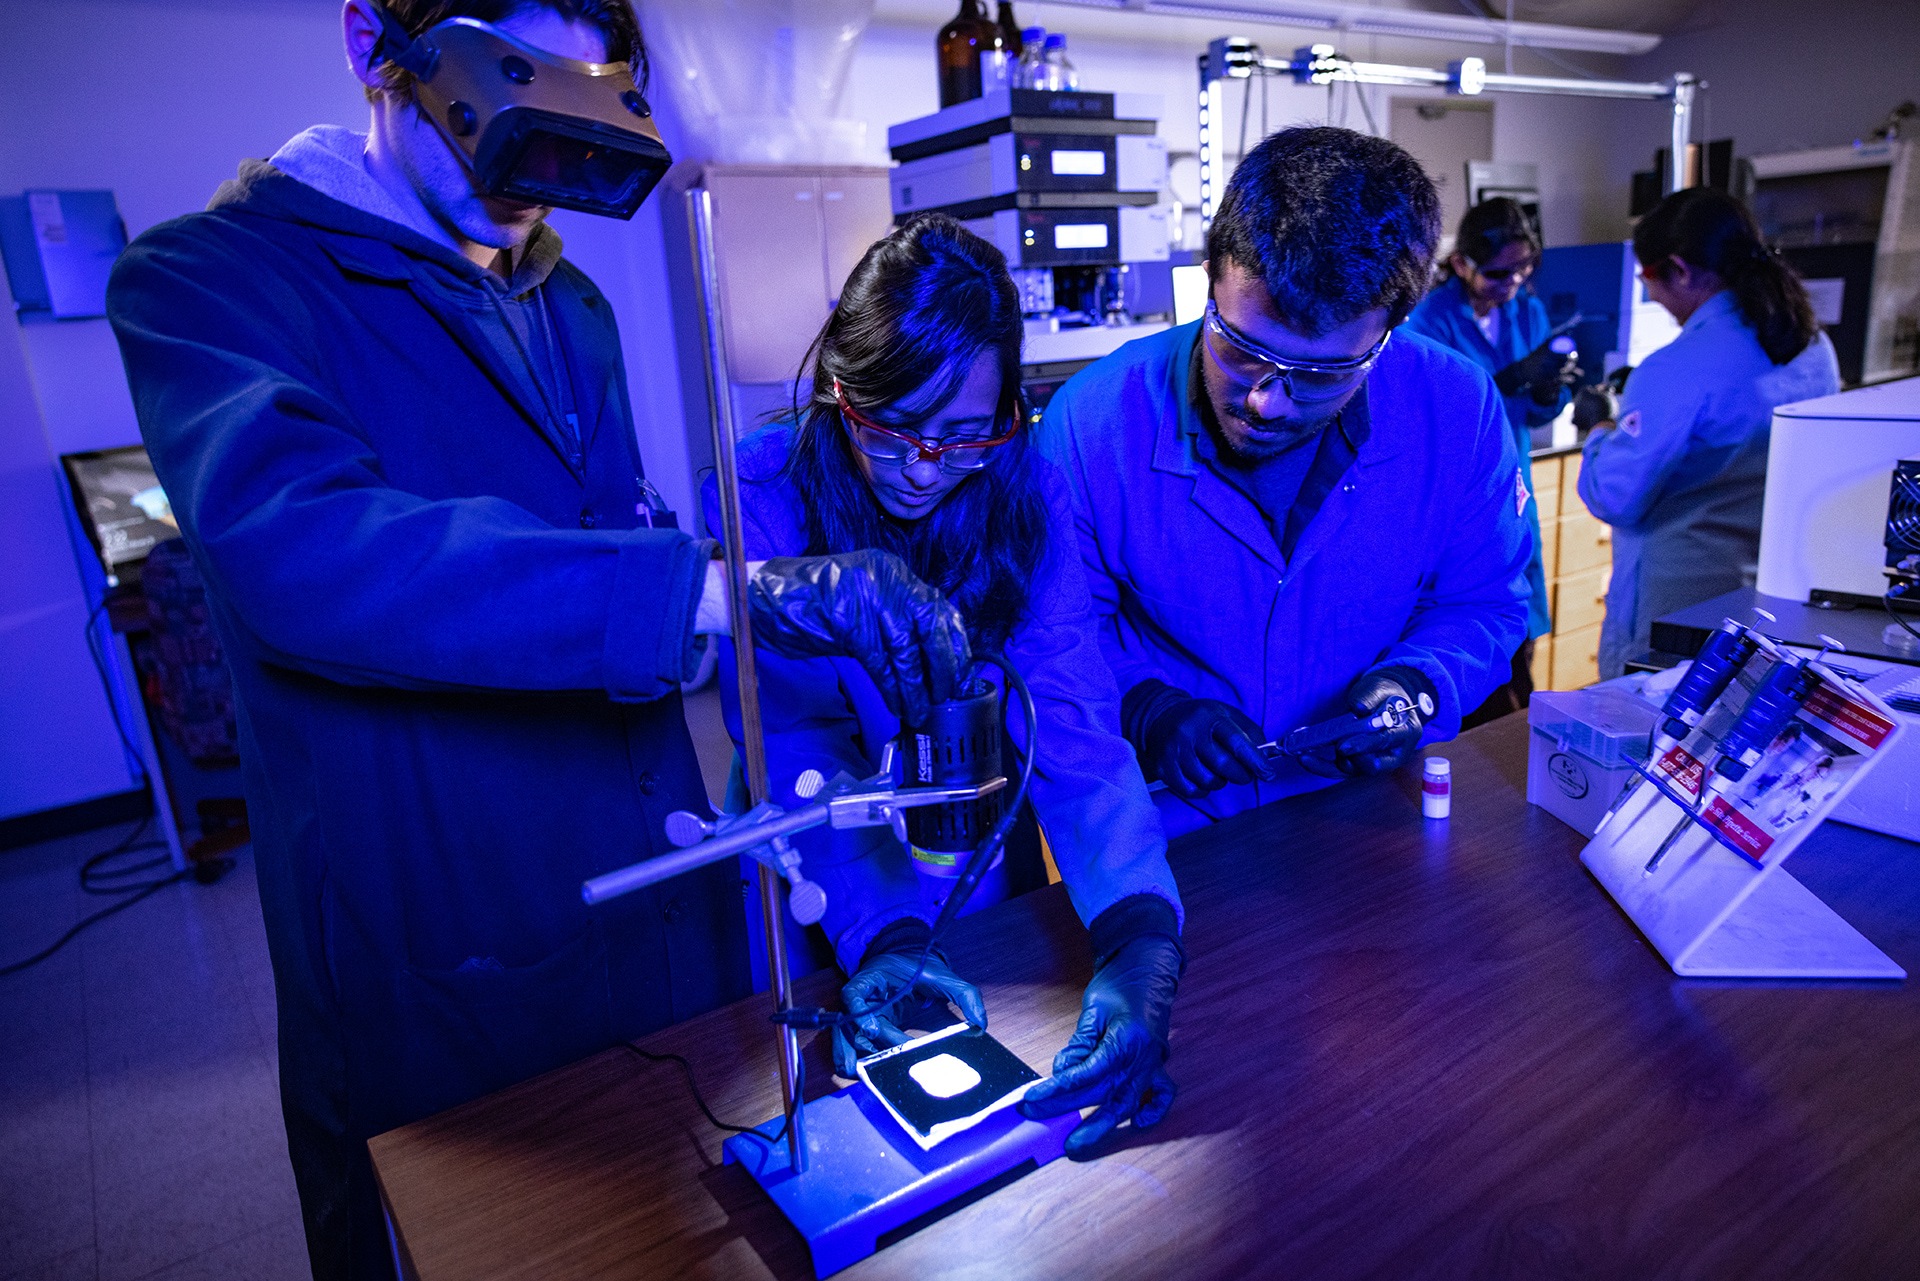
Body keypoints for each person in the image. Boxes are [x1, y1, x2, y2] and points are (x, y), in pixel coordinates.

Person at [106, 3, 968, 1277]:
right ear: (373, 42)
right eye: (515, 103)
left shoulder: (571, 305)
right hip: (449, 908)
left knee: (692, 1225)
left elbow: (602, 530)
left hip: (655, 890)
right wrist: (727, 594)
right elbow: (313, 554)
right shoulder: (210, 282)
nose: (535, 182)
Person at [702, 214, 1186, 1157]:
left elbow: (1074, 720)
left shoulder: (1024, 483)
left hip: (966, 839)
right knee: (823, 1093)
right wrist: (882, 932)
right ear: (842, 391)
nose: (925, 472)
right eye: (894, 432)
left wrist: (1137, 936)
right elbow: (798, 744)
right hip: (807, 865)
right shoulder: (764, 484)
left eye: (964, 435)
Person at [1037, 127, 1532, 834]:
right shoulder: (1093, 423)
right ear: (1212, 275)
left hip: (1372, 813)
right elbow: (1054, 634)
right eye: (1241, 350)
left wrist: (1417, 685)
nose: (1266, 400)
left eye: (1320, 375)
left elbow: (1485, 602)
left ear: (1387, 334)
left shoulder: (1456, 408)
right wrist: (1147, 706)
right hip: (1178, 830)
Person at [1577, 187, 1840, 678]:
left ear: (1680, 268)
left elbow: (1615, 496)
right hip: (1766, 602)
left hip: (1673, 611)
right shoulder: (1810, 345)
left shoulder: (1677, 368)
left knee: (1653, 741)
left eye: (1650, 279)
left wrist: (1600, 430)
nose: (1652, 295)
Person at [1403, 197, 1574, 718]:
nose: (1513, 284)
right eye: (1500, 273)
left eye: (1524, 270)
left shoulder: (1528, 311)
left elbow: (1541, 411)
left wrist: (1550, 390)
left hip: (1515, 484)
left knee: (1521, 631)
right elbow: (1432, 419)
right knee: (1472, 644)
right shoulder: (1428, 323)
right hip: (1460, 495)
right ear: (1460, 263)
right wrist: (1502, 384)